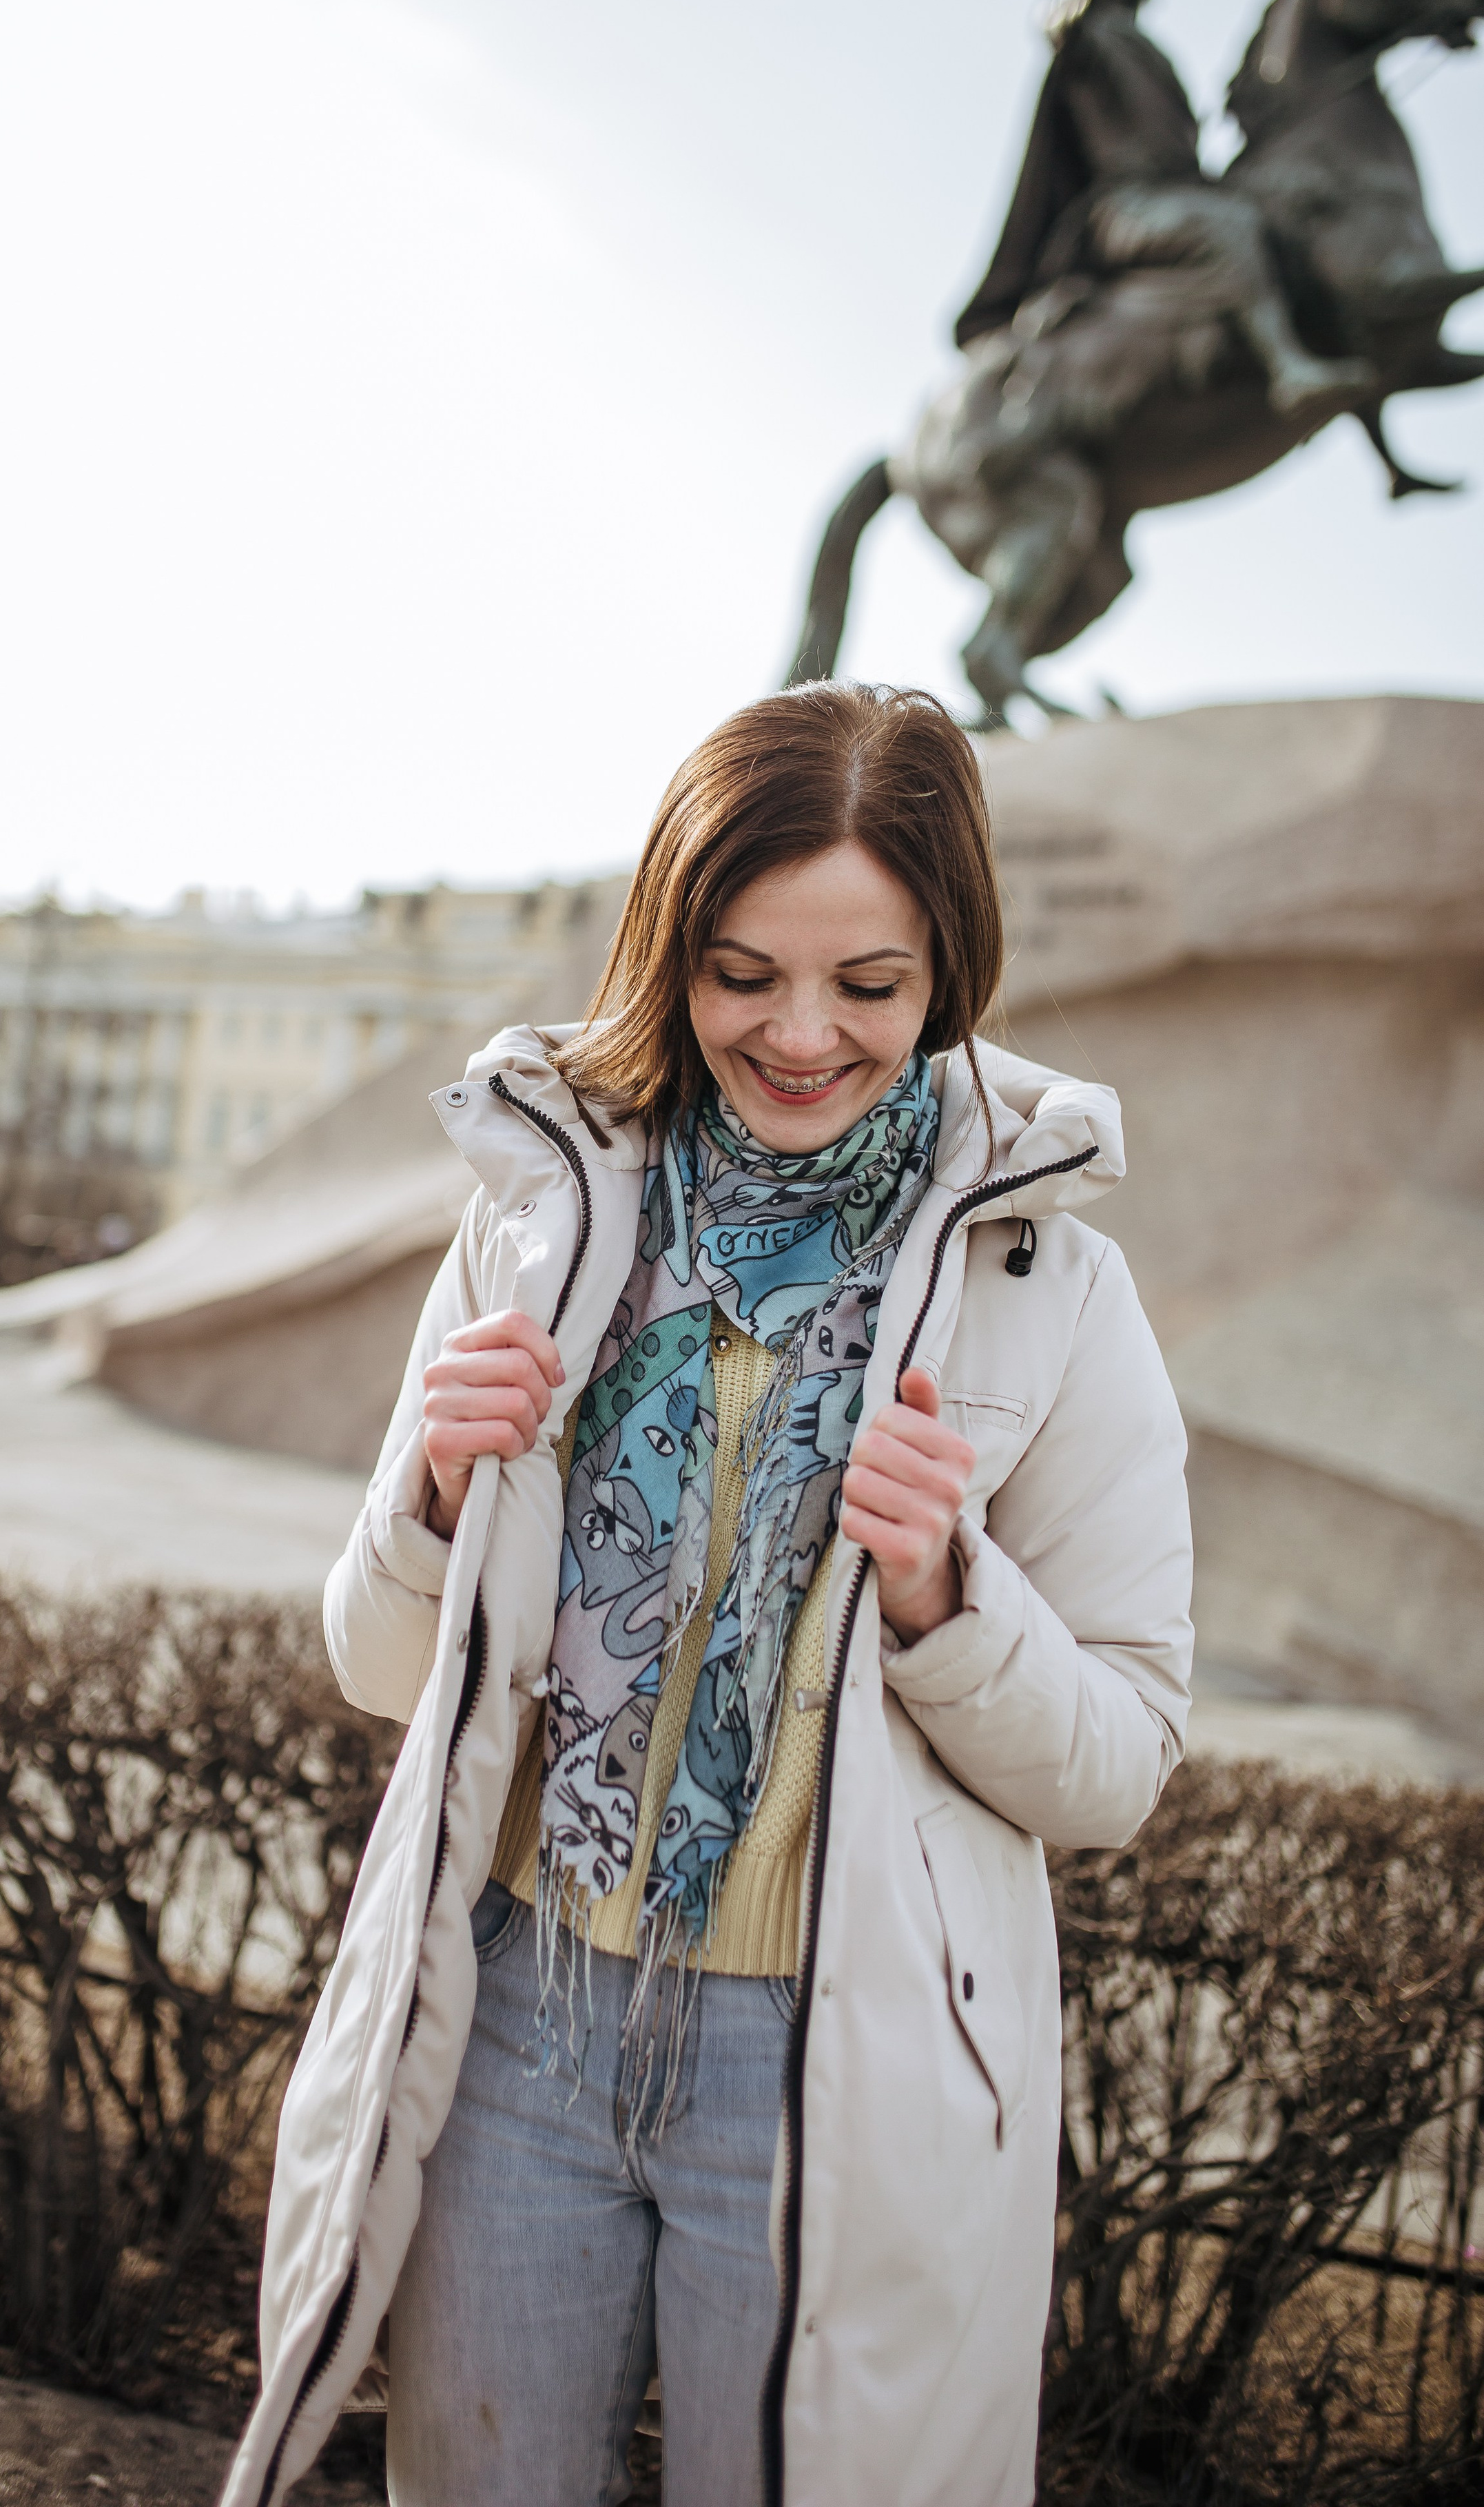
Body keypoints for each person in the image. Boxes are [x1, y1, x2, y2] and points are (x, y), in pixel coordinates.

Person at [223, 681, 1193, 2507]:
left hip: (835, 2064)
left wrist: (948, 1599)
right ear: (673, 949)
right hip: (516, 2020)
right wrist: (437, 1484)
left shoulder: (1051, 1289)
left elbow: (1121, 1761)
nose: (802, 1033)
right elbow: (374, 1663)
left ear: (946, 972)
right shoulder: (540, 1220)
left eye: (869, 984)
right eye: (744, 973)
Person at [956, 0, 1370, 417]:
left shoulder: (1150, 51)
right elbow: (1054, 22)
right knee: (1226, 229)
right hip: (1121, 208)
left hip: (1178, 190)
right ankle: (1288, 369)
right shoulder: (1091, 34)